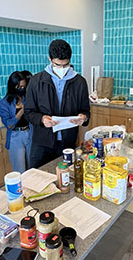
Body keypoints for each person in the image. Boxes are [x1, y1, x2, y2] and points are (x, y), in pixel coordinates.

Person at [24, 39, 90, 168]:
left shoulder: (79, 82)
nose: (62, 69)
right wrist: (42, 119)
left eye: (65, 65)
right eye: (57, 65)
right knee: (38, 176)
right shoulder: (36, 81)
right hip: (42, 142)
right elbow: (28, 112)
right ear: (49, 59)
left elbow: (85, 110)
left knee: (65, 178)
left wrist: (83, 117)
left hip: (67, 142)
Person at [0, 71, 32, 173]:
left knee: (32, 167)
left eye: (24, 86)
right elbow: (9, 125)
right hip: (15, 136)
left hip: (29, 133)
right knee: (20, 169)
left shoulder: (27, 98)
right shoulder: (4, 103)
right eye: (19, 87)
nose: (22, 89)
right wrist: (21, 112)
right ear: (13, 86)